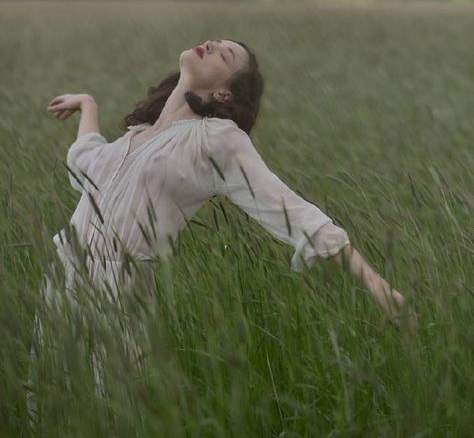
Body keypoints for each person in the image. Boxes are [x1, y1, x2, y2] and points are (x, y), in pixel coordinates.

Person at [43, 39, 412, 331]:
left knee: (105, 410)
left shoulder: (216, 140)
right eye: (216, 42)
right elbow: (86, 162)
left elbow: (292, 210)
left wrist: (374, 282)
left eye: (226, 55)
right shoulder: (137, 135)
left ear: (224, 94)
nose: (213, 45)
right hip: (64, 272)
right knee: (50, 402)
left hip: (119, 287)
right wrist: (88, 105)